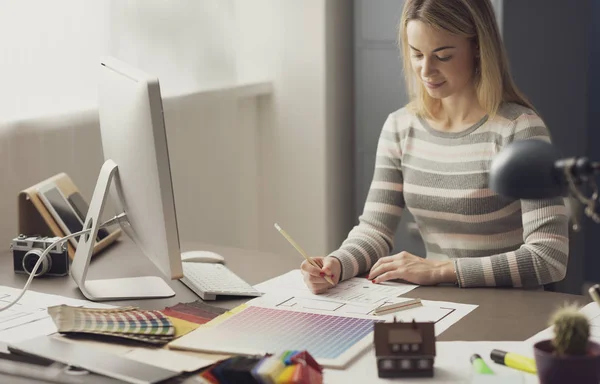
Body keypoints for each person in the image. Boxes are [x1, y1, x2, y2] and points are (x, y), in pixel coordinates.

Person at [301, 0, 569, 293]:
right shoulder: (400, 127)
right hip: (440, 303)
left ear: (478, 48)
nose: (426, 70)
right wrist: (337, 264)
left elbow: (549, 258)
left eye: (442, 56)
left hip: (509, 308)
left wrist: (444, 269)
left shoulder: (520, 128)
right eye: (417, 54)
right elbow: (375, 230)